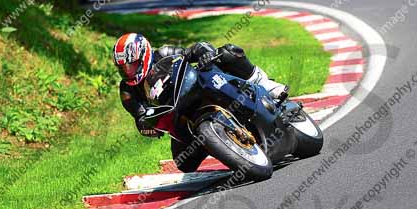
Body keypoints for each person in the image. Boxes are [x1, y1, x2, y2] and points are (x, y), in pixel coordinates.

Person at [113, 32, 288, 172]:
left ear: (144, 55)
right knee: (184, 163)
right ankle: (220, 145)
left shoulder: (163, 53)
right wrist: (147, 125)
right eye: (123, 68)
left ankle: (266, 84)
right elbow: (139, 116)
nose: (128, 71)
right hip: (178, 117)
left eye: (132, 65)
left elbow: (194, 50)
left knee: (228, 52)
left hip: (196, 90)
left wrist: (204, 53)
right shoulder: (127, 91)